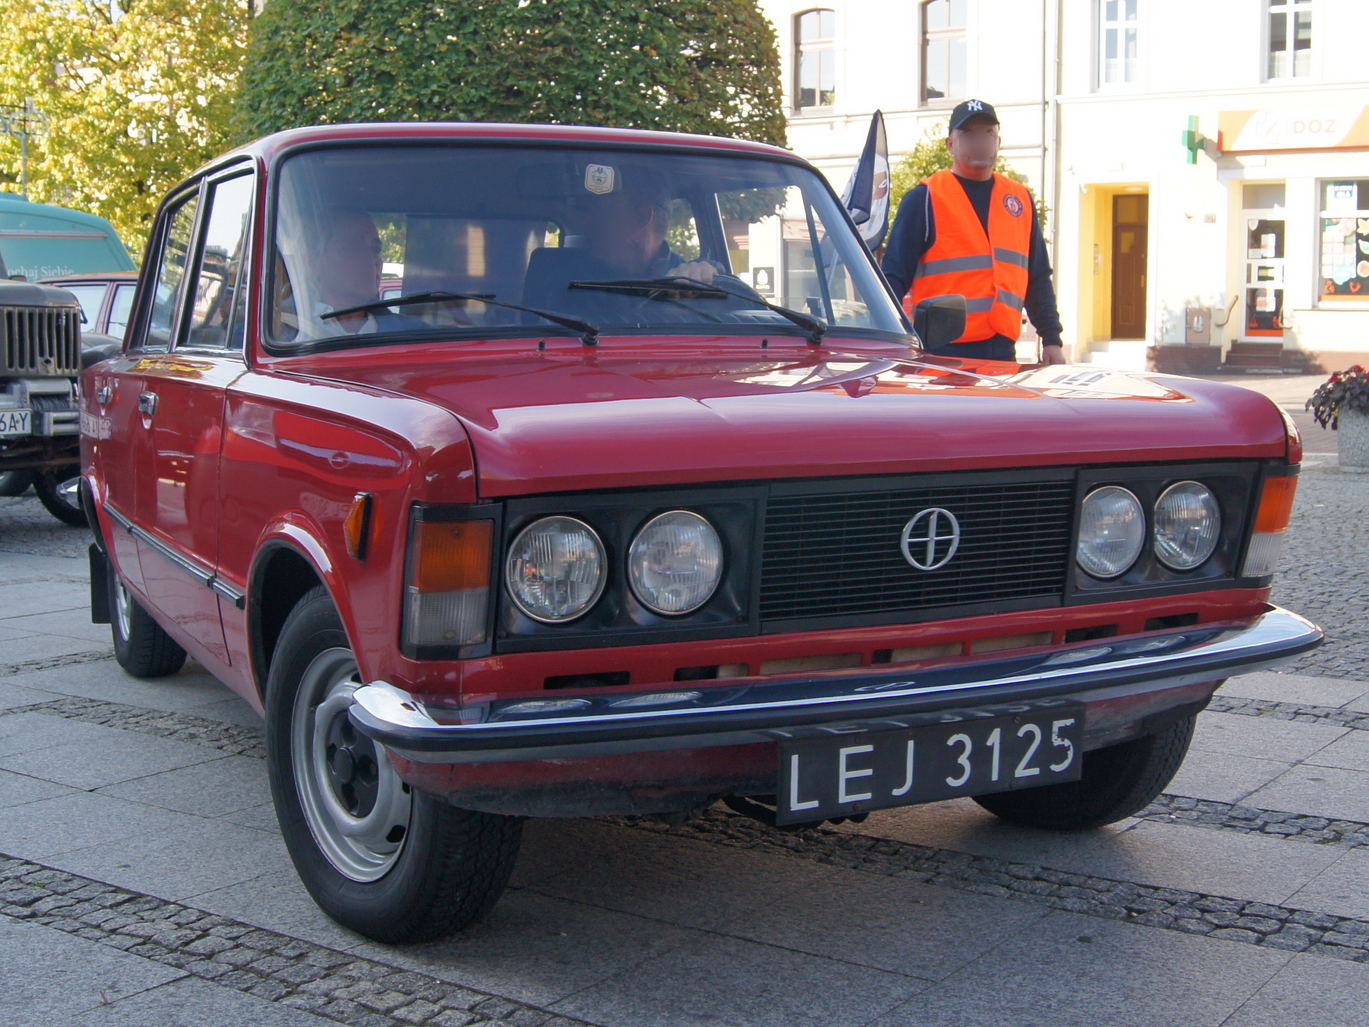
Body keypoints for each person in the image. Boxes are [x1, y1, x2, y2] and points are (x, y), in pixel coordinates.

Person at [882, 99, 1066, 364]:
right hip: (941, 353)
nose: (981, 142)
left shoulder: (1019, 200)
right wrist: (884, 338)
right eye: (970, 135)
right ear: (950, 144)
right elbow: (894, 276)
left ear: (998, 142)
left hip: (1002, 350)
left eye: (988, 134)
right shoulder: (925, 199)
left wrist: (1051, 339)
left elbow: (1037, 278)